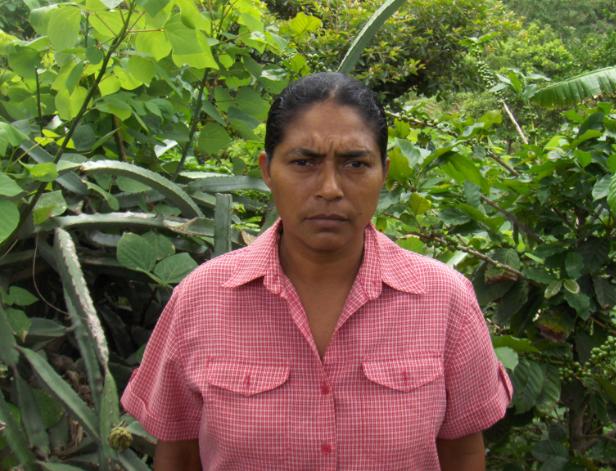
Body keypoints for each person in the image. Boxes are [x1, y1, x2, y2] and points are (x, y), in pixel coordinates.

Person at [121, 72, 513, 470]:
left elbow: (462, 453)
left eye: (355, 163)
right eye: (303, 162)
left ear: (383, 172)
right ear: (268, 170)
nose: (329, 188)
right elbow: (178, 455)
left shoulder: (444, 300)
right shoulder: (201, 299)